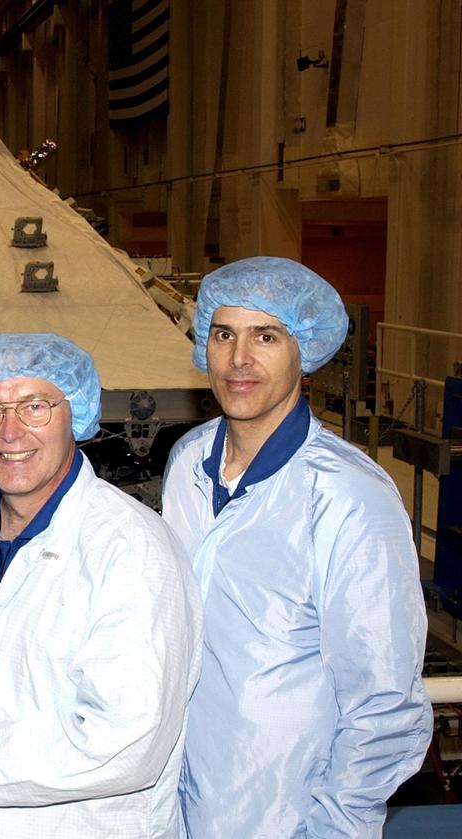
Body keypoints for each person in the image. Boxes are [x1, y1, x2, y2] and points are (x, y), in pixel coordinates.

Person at [161, 256, 431, 837]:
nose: (239, 360)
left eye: (266, 336)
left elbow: (384, 704)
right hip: (175, 803)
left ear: (304, 350)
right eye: (223, 333)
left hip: (284, 813)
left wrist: (333, 828)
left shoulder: (348, 497)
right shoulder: (187, 463)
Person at [0, 332, 202, 838]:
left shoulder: (131, 547)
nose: (10, 433)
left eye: (35, 407)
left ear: (76, 415)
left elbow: (128, 737)